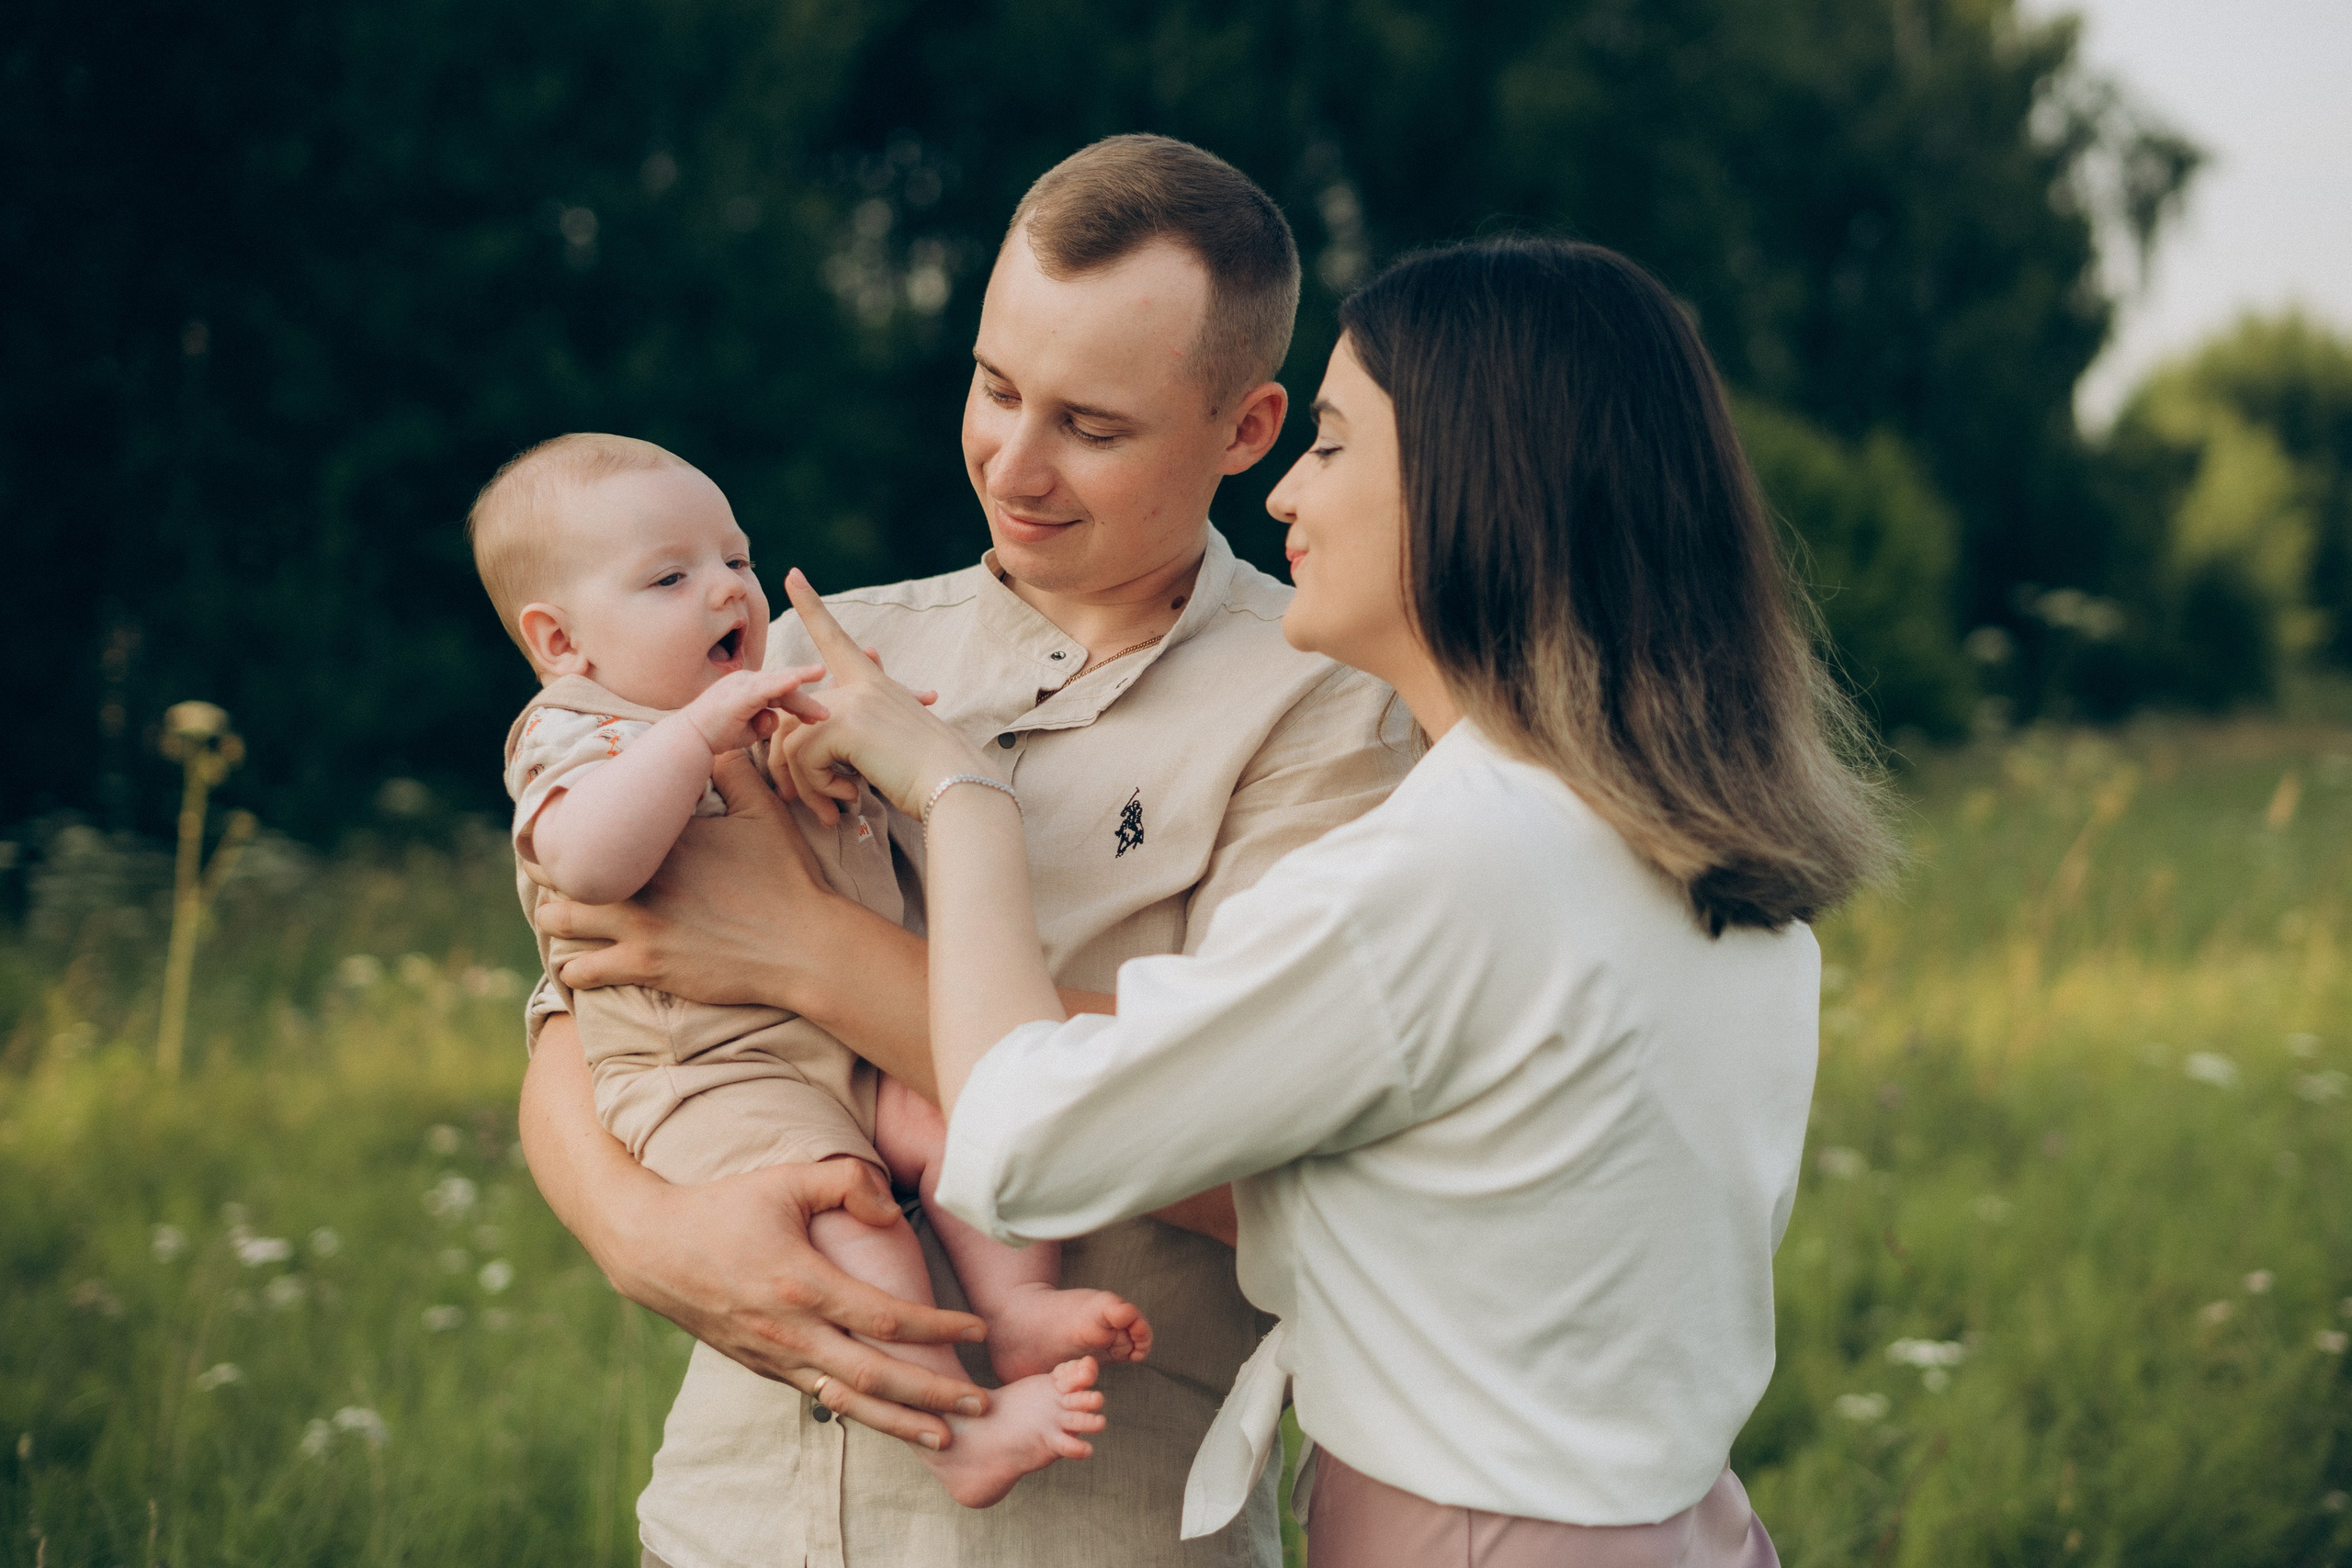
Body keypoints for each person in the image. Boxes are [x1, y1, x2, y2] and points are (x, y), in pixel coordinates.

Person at [768, 235, 1898, 1566]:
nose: (1287, 489)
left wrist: (956, 789)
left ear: (1482, 492)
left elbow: (1022, 1137)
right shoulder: (1687, 848)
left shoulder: (1452, 869)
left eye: (1337, 442)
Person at [517, 136, 1417, 1566]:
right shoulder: (809, 642)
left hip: (1087, 1531)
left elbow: (1268, 1161)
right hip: (733, 1518)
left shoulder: (1330, 714)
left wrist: (807, 953)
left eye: (1094, 426)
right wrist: (635, 1226)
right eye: (996, 388)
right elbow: (584, 1002)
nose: (1015, 460)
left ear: (1246, 432)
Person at [469, 432, 1143, 1508]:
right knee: (853, 1214)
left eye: (734, 559)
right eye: (670, 576)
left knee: (967, 1121)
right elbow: (589, 862)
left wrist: (844, 769)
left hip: (849, 1040)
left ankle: (1013, 1308)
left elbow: (819, 856)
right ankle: (953, 1430)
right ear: (561, 642)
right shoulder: (574, 730)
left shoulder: (763, 694)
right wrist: (695, 734)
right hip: (711, 1073)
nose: (724, 591)